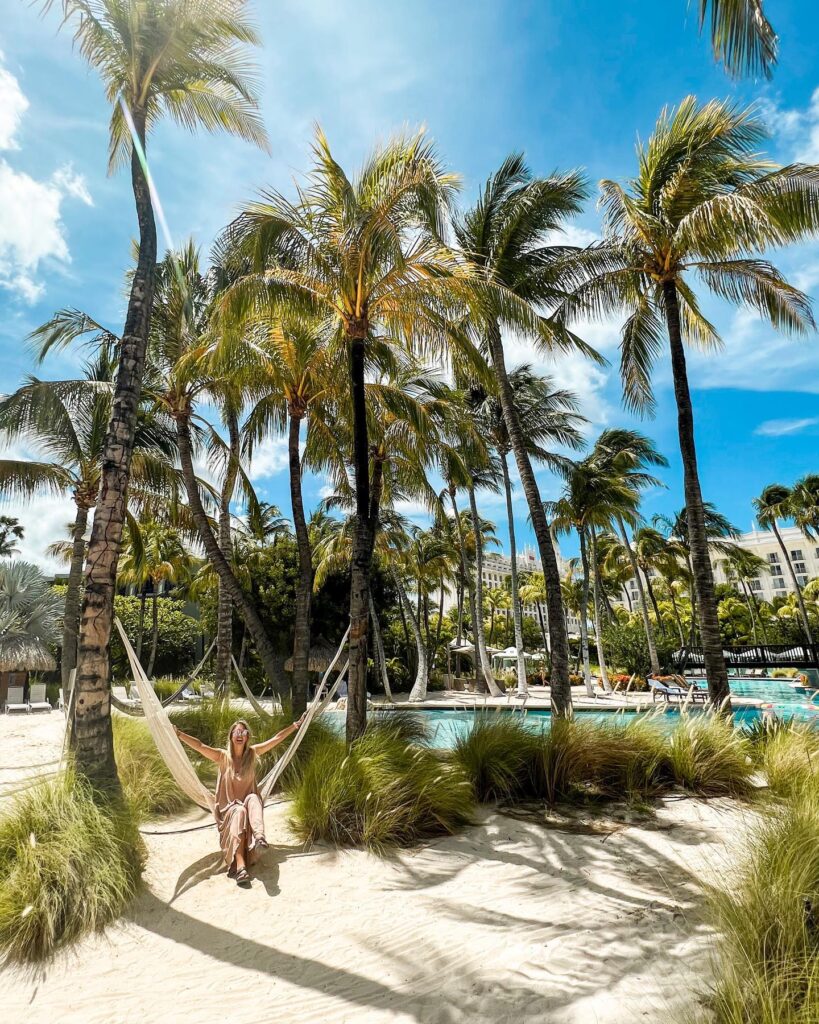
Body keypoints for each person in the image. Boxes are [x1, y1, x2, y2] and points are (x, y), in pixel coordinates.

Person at [174, 715, 305, 886]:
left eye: (243, 732)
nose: (240, 735)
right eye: (236, 732)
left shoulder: (252, 753)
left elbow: (275, 739)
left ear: (247, 737)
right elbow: (200, 746)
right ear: (231, 736)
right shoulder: (222, 756)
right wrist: (179, 734)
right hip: (229, 811)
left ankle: (260, 838)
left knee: (253, 798)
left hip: (248, 809)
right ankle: (241, 868)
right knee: (239, 810)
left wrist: (295, 725)